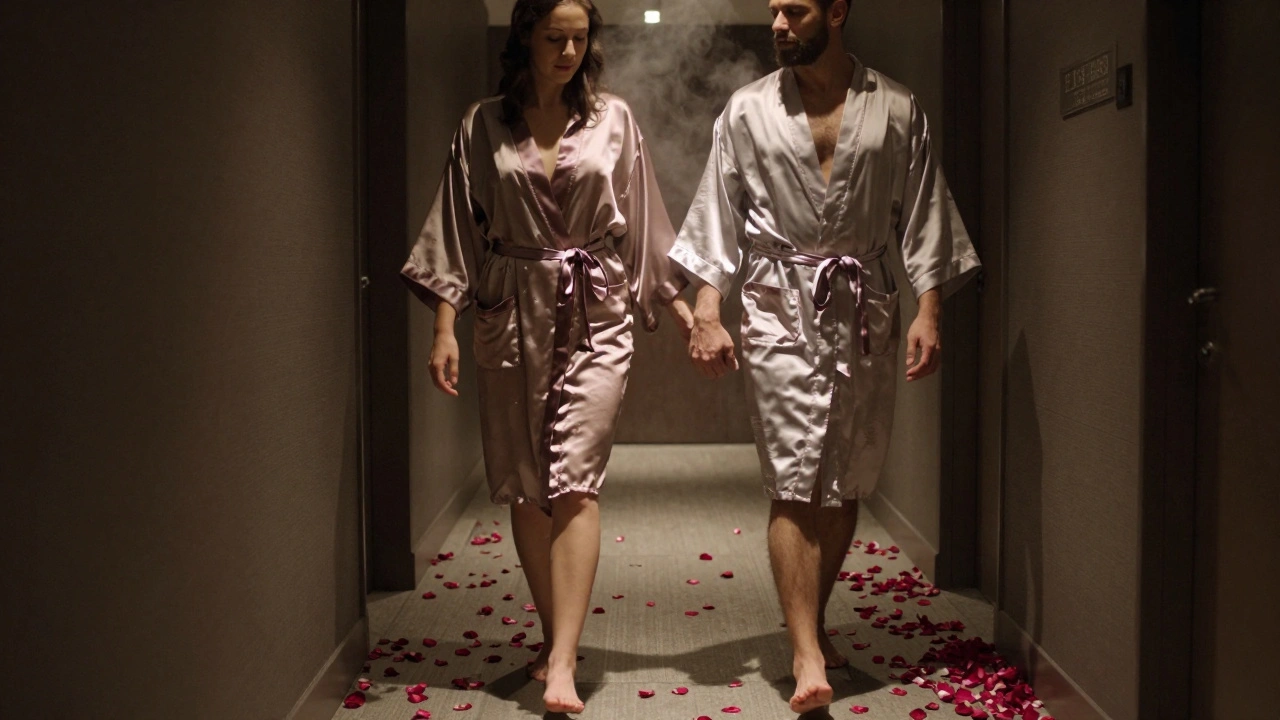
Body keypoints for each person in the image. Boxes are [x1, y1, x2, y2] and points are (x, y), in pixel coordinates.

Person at [670, 0, 981, 712]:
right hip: (779, 301)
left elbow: (923, 210)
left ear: (836, 12)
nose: (778, 22)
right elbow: (718, 211)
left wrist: (929, 310)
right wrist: (709, 308)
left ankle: (811, 614)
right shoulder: (746, 113)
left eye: (795, 9)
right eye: (773, 8)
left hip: (864, 302)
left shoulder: (897, 108)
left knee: (844, 478)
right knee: (791, 476)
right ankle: (805, 649)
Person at [400, 0, 692, 712]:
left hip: (596, 314)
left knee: (577, 480)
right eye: (554, 37)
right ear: (524, 36)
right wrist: (444, 328)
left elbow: (647, 218)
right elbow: (459, 229)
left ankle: (562, 661)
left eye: (579, 38)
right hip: (511, 309)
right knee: (527, 486)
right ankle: (552, 631)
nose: (567, 51)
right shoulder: (481, 124)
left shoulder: (614, 120)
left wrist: (685, 309)